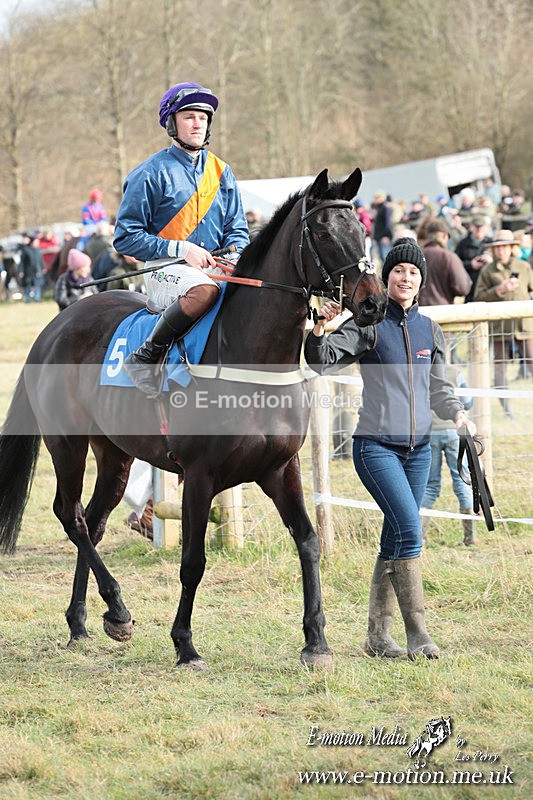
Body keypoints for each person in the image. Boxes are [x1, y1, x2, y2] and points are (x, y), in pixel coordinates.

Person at [304, 238, 475, 660]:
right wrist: (320, 329)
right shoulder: (370, 322)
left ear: (421, 281)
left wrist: (457, 417)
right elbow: (322, 359)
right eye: (399, 269)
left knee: (395, 535)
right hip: (375, 446)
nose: (405, 277)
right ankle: (418, 633)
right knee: (411, 529)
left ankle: (377, 639)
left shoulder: (429, 329)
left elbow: (440, 388)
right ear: (388, 276)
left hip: (419, 450)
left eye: (413, 272)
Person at [113, 81, 249, 397]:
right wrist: (181, 248)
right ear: (172, 122)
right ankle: (145, 356)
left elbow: (237, 229)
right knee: (203, 291)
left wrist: (236, 256)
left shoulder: (221, 171)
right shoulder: (149, 172)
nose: (198, 122)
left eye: (203, 116)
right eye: (189, 116)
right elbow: (125, 238)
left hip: (216, 267)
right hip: (163, 268)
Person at [474, 230, 533, 415]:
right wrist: (498, 290)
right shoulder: (488, 271)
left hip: (524, 325)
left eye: (504, 247)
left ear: (512, 248)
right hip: (500, 328)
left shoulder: (524, 267)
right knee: (500, 370)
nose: (501, 251)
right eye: (497, 248)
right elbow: (478, 298)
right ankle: (507, 410)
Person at [421, 364, 477, 546]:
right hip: (455, 431)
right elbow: (468, 402)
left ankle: (420, 536)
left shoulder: (421, 369)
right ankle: (470, 537)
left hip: (429, 432)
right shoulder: (455, 372)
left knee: (430, 486)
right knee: (462, 480)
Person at [418, 218, 472, 306]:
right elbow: (463, 288)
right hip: (442, 311)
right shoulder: (449, 257)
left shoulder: (416, 255)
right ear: (444, 236)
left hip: (418, 312)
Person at [454, 214, 493, 302]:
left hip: (488, 285)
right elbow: (455, 264)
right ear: (471, 227)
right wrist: (471, 264)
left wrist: (490, 261)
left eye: (481, 227)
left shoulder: (491, 243)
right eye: (476, 227)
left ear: (486, 227)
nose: (479, 229)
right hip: (470, 285)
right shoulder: (463, 244)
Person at [18, 233, 44, 303]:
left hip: (37, 270)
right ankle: (27, 299)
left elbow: (40, 260)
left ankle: (37, 298)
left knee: (37, 285)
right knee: (28, 285)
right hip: (28, 271)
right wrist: (21, 270)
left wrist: (43, 267)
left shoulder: (38, 250)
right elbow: (22, 261)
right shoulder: (26, 250)